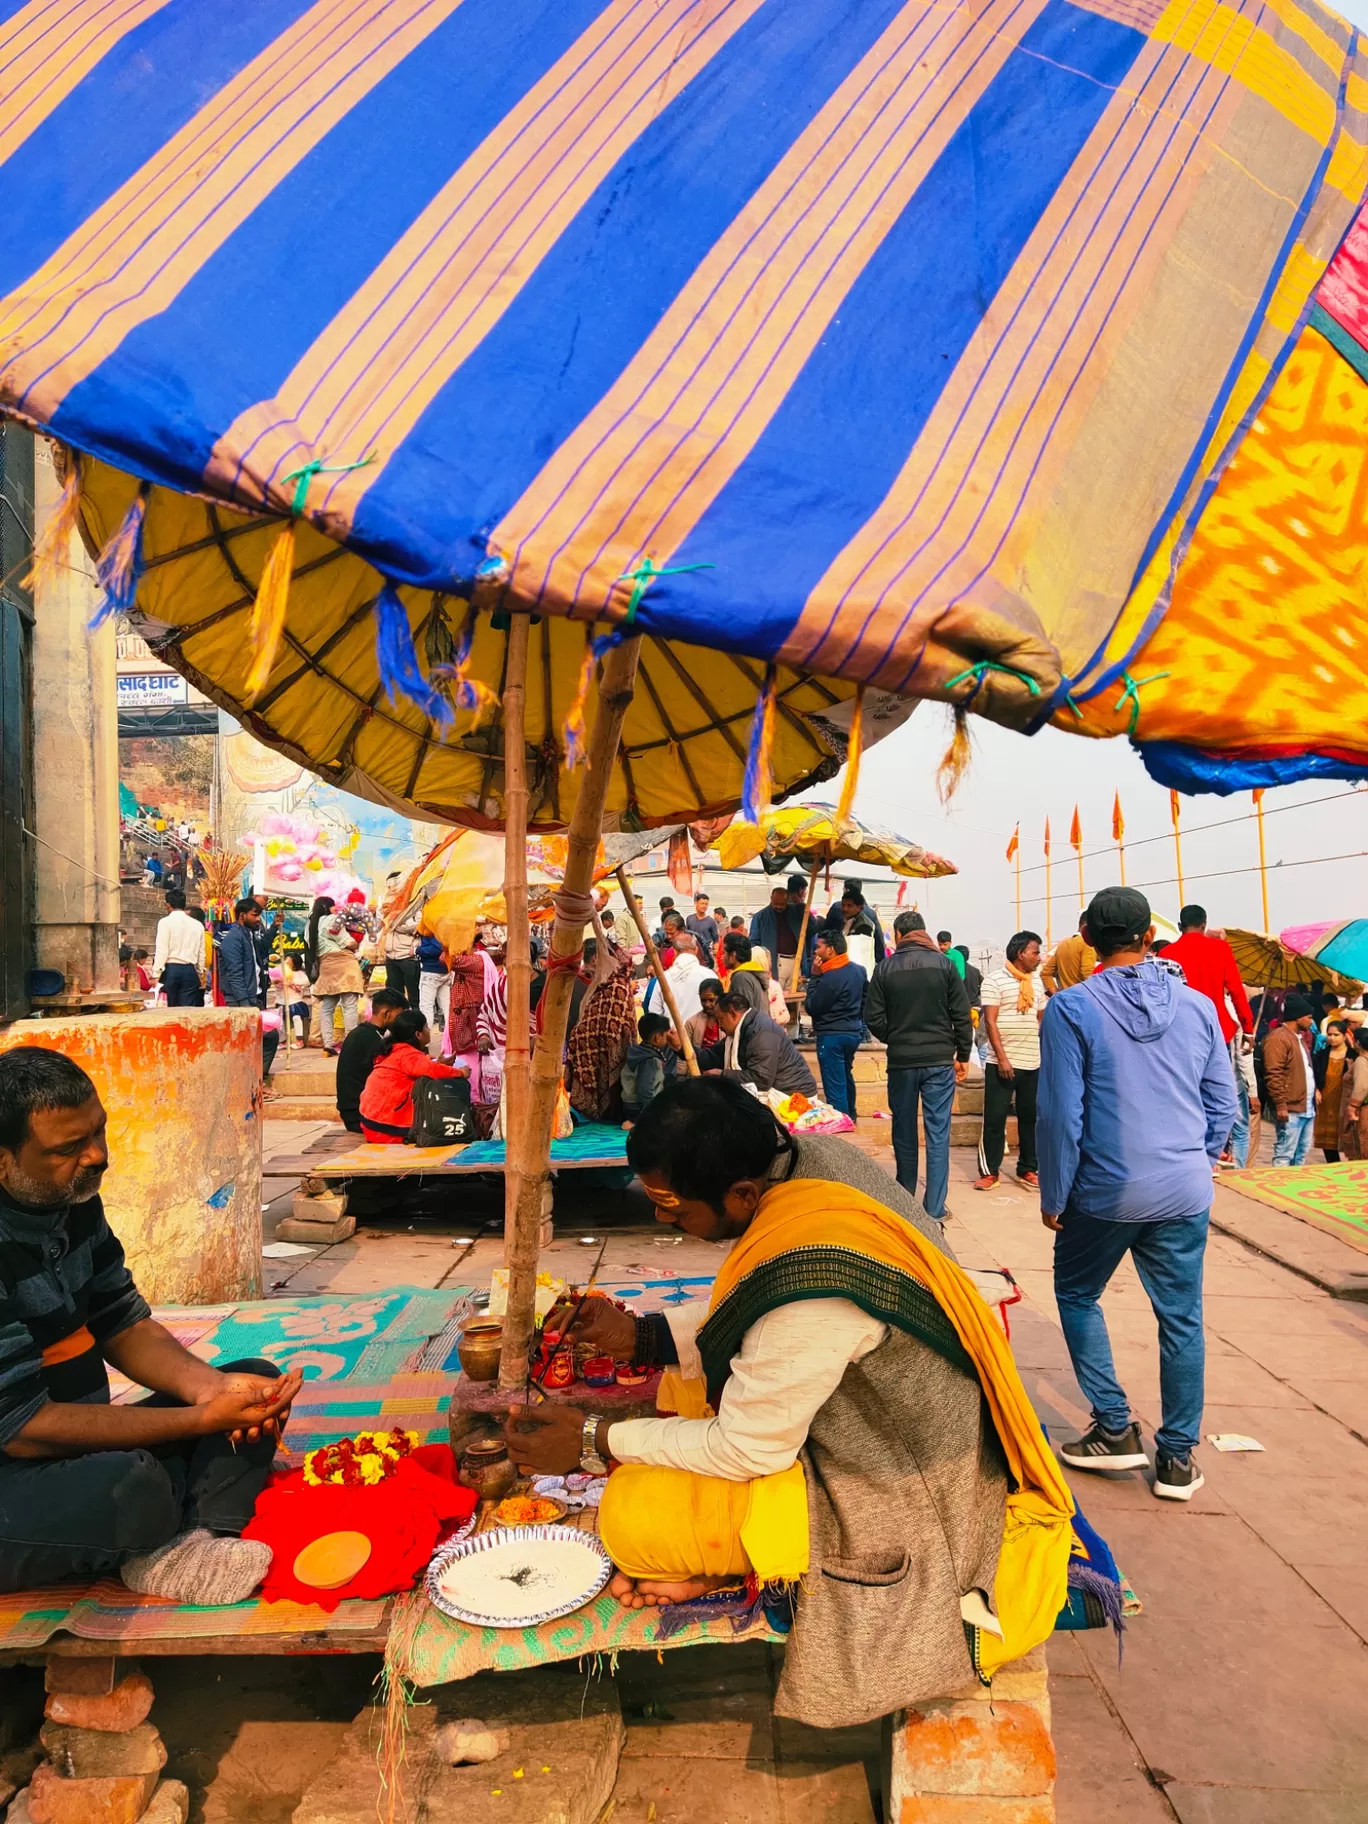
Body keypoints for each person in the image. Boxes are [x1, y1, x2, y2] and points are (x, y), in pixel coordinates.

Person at [502, 1079, 1072, 1728]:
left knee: (632, 1515)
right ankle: (728, 1551)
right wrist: (641, 1335)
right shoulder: (806, 1167)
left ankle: (730, 1561)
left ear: (742, 1195)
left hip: (909, 1490)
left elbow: (751, 1440)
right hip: (876, 1407)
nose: (663, 1219)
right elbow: (753, 1315)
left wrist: (592, 1440)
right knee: (684, 1389)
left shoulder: (813, 1272)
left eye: (675, 1206)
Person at [0, 1048, 300, 1598]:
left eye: (99, 1132)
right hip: (18, 1466)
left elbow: (123, 1323)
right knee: (131, 1485)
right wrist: (200, 1421)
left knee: (252, 1379)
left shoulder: (72, 1199)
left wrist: (215, 1391)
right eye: (68, 1148)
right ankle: (164, 1523)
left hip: (71, 1449)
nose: (96, 1156)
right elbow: (25, 1431)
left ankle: (192, 1536)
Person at [1038, 887, 1237, 1502]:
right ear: (1150, 937)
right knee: (1182, 1319)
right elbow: (1223, 1104)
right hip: (1183, 1189)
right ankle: (1177, 1459)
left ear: (1087, 938)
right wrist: (1192, 1162)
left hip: (1106, 1188)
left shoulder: (1072, 1008)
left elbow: (1060, 1117)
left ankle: (1115, 1426)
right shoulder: (1198, 1006)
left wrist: (1055, 1192)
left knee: (1076, 1292)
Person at [865, 912, 972, 1220]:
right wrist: (963, 1054)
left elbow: (872, 1017)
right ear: (924, 932)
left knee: (904, 1130)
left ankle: (905, 1200)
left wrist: (895, 1037)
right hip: (939, 1060)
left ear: (899, 934)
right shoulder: (946, 965)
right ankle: (935, 1208)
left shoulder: (885, 968)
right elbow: (961, 1015)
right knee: (938, 1134)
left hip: (902, 1061)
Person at [1164, 906, 1255, 1163]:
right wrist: (1248, 1029)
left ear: (1180, 925)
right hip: (1216, 1033)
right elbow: (1236, 991)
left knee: (1184, 1098)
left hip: (1178, 1036)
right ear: (1204, 924)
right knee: (1224, 1099)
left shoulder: (1168, 953)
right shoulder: (1220, 949)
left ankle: (1186, 1156)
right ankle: (1219, 1158)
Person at [976, 932, 1045, 1192]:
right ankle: (989, 1171)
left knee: (1030, 1118)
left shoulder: (1036, 983)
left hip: (1031, 1061)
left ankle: (1027, 1167)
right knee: (994, 1119)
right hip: (1001, 1062)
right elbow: (990, 1021)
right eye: (1035, 952)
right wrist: (1003, 1058)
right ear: (1020, 954)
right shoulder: (994, 981)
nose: (1038, 958)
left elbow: (1039, 1017)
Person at [358, 1011, 468, 1143]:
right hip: (386, 1129)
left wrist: (439, 1064)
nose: (429, 1030)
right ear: (418, 1034)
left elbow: (420, 1068)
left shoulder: (393, 1050)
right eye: (426, 1027)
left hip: (369, 1122)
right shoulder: (409, 1055)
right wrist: (461, 1072)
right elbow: (432, 1070)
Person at [565, 937, 639, 1120]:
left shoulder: (617, 986)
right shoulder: (601, 985)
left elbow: (618, 1026)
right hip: (597, 1052)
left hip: (613, 1052)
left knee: (614, 1101)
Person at [698, 992, 817, 1096]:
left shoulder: (761, 1033)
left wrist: (722, 1074)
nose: (720, 1026)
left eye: (720, 1020)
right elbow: (711, 1056)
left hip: (792, 1094)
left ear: (733, 1014)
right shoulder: (740, 1032)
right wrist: (680, 1047)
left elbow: (761, 1080)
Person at [803, 931, 866, 1118]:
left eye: (818, 947)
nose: (815, 952)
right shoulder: (859, 970)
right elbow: (865, 1000)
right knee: (845, 1077)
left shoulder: (830, 977)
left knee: (835, 1084)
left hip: (832, 1036)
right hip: (852, 1033)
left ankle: (842, 1124)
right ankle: (851, 1116)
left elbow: (812, 1006)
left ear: (830, 950)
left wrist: (814, 978)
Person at [219, 898, 279, 1087]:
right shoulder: (233, 939)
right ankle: (252, 1083)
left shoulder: (249, 935)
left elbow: (262, 949)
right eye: (254, 915)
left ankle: (257, 1081)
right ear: (242, 915)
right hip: (240, 1000)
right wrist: (245, 1004)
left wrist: (275, 928)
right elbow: (234, 974)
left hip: (253, 996)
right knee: (260, 1040)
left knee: (264, 1039)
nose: (258, 919)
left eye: (259, 915)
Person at [334, 988, 408, 1133]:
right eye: (400, 1016)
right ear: (386, 1013)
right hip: (360, 1116)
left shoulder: (367, 1034)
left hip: (357, 1113)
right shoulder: (368, 1038)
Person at [1264, 995, 1318, 1167]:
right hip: (1291, 1108)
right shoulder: (1278, 1038)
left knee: (1300, 1155)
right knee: (1284, 1156)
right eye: (1309, 1017)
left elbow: (1304, 1070)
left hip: (1306, 1107)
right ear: (1298, 1017)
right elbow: (1274, 1073)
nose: (1311, 1021)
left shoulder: (1299, 1038)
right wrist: (1281, 1104)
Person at [749, 886, 814, 993]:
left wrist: (803, 906)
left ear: (787, 901)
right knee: (776, 995)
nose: (778, 907)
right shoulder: (760, 916)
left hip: (796, 962)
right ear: (771, 899)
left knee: (794, 998)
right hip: (776, 962)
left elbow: (813, 928)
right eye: (776, 904)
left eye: (782, 904)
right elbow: (754, 942)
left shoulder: (796, 912)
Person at [621, 1013, 680, 1124]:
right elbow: (644, 1090)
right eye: (666, 1035)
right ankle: (636, 1123)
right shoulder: (650, 1060)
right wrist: (649, 1115)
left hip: (629, 1107)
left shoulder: (638, 1051)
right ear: (658, 1037)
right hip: (639, 1108)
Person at [153, 889, 205, 1008]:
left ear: (168, 905)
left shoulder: (165, 922)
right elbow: (201, 952)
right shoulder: (197, 924)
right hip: (190, 970)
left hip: (172, 969)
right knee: (188, 1009)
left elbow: (162, 949)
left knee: (173, 1008)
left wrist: (156, 972)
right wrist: (200, 971)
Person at [646, 931, 710, 1024]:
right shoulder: (709, 976)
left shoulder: (664, 979)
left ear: (674, 952)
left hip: (672, 1035)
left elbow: (654, 1013)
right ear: (696, 950)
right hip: (703, 1036)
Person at [823, 879, 886, 964]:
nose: (845, 909)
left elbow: (825, 932)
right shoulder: (871, 913)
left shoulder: (837, 908)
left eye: (849, 906)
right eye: (844, 905)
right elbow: (879, 941)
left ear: (846, 890)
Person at [1314, 1021, 1352, 1163]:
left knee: (1347, 1135)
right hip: (1326, 1100)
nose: (1332, 1038)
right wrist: (1316, 1090)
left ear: (1344, 1035)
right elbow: (1316, 1075)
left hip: (1344, 1100)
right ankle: (1333, 1164)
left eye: (1336, 1035)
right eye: (1329, 1034)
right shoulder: (1321, 1055)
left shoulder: (1352, 1055)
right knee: (1327, 1137)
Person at [1041, 917, 1097, 995]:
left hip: (1066, 998)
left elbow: (1045, 973)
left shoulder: (1062, 945)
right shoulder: (1087, 944)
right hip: (1082, 998)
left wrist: (1056, 994)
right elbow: (1087, 973)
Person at [417, 931, 452, 1056]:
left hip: (431, 970)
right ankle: (451, 1038)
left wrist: (418, 950)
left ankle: (424, 1041)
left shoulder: (432, 928)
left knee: (426, 1006)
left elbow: (437, 948)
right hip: (445, 969)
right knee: (447, 1005)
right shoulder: (448, 925)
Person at [719, 932, 770, 1014]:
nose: (722, 957)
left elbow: (743, 1015)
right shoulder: (751, 974)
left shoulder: (741, 978)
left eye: (723, 953)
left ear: (733, 955)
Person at [1342, 1027, 1368, 1160]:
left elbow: (1362, 1086)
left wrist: (1352, 1107)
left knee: (1362, 1146)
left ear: (1357, 1042)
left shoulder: (1362, 1061)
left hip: (1363, 1110)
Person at [685, 977, 723, 1054]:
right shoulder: (692, 1023)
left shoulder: (728, 1021)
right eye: (703, 1000)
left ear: (721, 997)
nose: (707, 1004)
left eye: (711, 1000)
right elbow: (685, 1052)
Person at [685, 893, 719, 967]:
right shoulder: (689, 919)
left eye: (706, 904)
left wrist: (716, 955)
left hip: (706, 954)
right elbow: (687, 936)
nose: (704, 906)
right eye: (702, 903)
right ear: (696, 903)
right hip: (692, 953)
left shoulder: (711, 921)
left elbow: (716, 940)